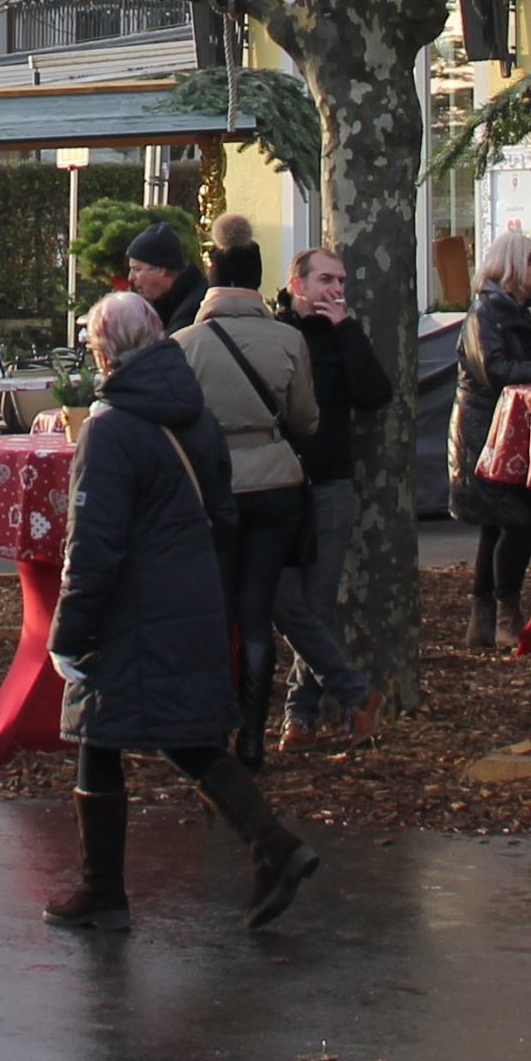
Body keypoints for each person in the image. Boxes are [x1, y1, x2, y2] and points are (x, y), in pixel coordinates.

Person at [42, 290, 320, 934]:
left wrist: (68, 632)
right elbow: (222, 515)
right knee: (177, 735)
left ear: (104, 355)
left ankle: (108, 889)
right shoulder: (195, 414)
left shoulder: (110, 429)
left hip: (128, 610)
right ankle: (271, 847)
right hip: (191, 596)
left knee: (108, 731)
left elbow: (93, 545)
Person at [176, 242, 316, 768]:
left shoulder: (185, 344)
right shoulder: (288, 339)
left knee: (215, 613)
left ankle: (212, 733)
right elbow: (305, 419)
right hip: (276, 483)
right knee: (257, 615)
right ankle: (253, 740)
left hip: (213, 485)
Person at [271, 244, 392, 745]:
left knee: (318, 603)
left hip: (329, 482)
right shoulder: (275, 331)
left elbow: (375, 395)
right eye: (326, 280)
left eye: (341, 281)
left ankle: (299, 715)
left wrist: (345, 329)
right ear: (297, 284)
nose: (336, 289)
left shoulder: (344, 335)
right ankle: (354, 693)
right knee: (282, 599)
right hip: (277, 483)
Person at [452, 227, 531, 650]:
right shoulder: (485, 313)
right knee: (516, 520)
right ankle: (505, 611)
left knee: (503, 523)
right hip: (488, 431)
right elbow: (495, 370)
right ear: (510, 266)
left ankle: (484, 616)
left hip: (529, 429)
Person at [120, 222, 210, 335]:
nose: (130, 278)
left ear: (161, 269)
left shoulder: (196, 307)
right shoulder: (168, 304)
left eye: (137, 269)